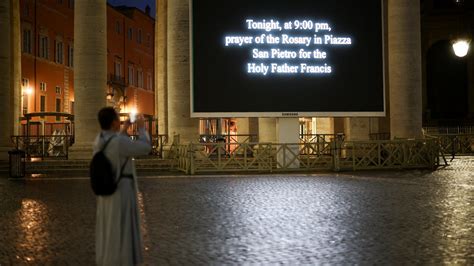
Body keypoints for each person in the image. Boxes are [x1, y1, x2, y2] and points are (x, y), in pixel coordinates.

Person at [93, 107, 151, 265]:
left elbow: (115, 142)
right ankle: (122, 260)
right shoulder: (118, 142)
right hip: (121, 191)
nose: (120, 121)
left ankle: (107, 259)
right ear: (113, 123)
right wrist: (141, 128)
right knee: (122, 228)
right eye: (118, 118)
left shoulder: (99, 140)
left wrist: (124, 128)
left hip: (106, 191)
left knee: (108, 227)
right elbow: (145, 147)